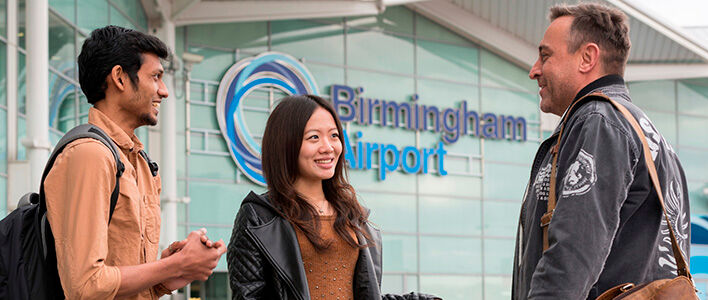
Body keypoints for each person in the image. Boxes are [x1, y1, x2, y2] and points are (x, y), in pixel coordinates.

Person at [512, 3, 691, 299]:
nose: (535, 70)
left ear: (587, 58)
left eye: (545, 56)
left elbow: (571, 255)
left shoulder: (598, 121)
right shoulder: (649, 136)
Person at [44, 25, 226, 299]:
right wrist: (173, 264)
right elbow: (85, 286)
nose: (163, 91)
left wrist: (175, 269)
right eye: (155, 77)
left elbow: (125, 286)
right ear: (119, 77)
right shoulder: (90, 156)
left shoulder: (141, 164)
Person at [227, 95, 439, 300]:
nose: (328, 147)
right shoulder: (259, 217)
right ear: (286, 144)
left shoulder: (352, 214)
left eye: (334, 135)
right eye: (314, 137)